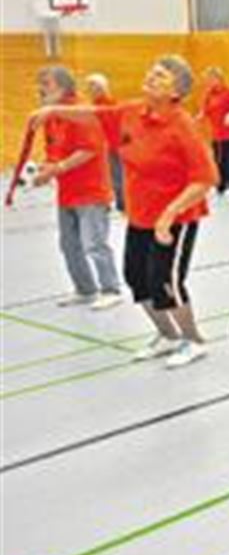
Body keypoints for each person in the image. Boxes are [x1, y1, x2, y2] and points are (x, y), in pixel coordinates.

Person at [32, 55, 219, 369]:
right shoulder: (132, 111)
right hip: (141, 215)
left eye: (161, 76)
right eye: (152, 72)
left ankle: (193, 340)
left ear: (176, 91)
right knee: (136, 279)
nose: (151, 77)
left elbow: (205, 178)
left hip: (175, 219)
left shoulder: (182, 125)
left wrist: (169, 214)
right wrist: (53, 109)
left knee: (166, 282)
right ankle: (167, 336)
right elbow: (93, 115)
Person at [34, 66, 122, 311]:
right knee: (69, 245)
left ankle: (111, 288)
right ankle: (85, 289)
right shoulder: (51, 117)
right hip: (67, 192)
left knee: (94, 243)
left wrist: (59, 167)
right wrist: (46, 169)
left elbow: (90, 148)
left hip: (91, 190)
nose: (40, 88)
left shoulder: (80, 112)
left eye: (46, 83)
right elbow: (54, 150)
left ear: (63, 86)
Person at [83, 73, 125, 211]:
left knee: (116, 176)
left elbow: (117, 126)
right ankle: (107, 202)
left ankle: (122, 202)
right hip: (101, 147)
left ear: (101, 87)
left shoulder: (110, 104)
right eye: (89, 87)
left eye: (92, 86)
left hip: (114, 147)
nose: (89, 90)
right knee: (104, 177)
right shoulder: (94, 106)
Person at [201, 67, 229, 195]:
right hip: (217, 134)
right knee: (218, 160)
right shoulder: (209, 94)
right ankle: (221, 186)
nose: (208, 82)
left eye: (210, 79)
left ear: (218, 79)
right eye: (207, 80)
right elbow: (205, 111)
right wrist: (196, 118)